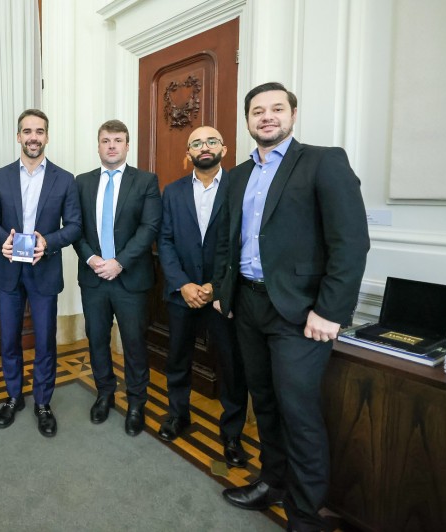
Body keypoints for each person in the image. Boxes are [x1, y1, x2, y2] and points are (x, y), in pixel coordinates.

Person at [212, 82, 370, 531]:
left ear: (293, 114)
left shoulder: (324, 161)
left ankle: (304, 516)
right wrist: (227, 292)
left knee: (298, 413)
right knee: (264, 403)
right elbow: (231, 239)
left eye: (276, 109)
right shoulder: (239, 175)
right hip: (247, 305)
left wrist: (331, 310)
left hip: (301, 314)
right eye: (257, 111)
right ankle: (272, 482)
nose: (267, 117)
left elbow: (351, 242)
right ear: (246, 121)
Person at [0, 109, 82, 437]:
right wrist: (3, 241)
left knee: (44, 341)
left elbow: (75, 227)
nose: (33, 137)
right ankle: (14, 397)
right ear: (18, 136)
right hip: (9, 270)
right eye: (27, 131)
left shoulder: (65, 179)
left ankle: (42, 402)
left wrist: (47, 242)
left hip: (45, 270)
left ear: (47, 137)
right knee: (9, 339)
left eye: (39, 131)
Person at [157, 126, 249, 467]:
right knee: (177, 359)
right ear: (189, 152)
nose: (204, 146)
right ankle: (178, 415)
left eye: (211, 140)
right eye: (196, 143)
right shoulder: (174, 191)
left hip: (223, 293)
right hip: (183, 294)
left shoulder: (239, 188)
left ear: (224, 147)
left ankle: (232, 433)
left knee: (231, 365)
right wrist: (183, 284)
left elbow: (243, 241)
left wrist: (215, 285)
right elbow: (165, 241)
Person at [73, 119, 161, 436]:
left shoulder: (146, 181)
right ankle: (105, 393)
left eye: (118, 140)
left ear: (127, 145)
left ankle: (137, 402)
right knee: (97, 339)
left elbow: (149, 228)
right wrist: (93, 258)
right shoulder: (81, 182)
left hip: (131, 279)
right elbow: (75, 228)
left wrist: (119, 262)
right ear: (98, 145)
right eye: (106, 140)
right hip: (94, 277)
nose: (112, 145)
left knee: (134, 344)